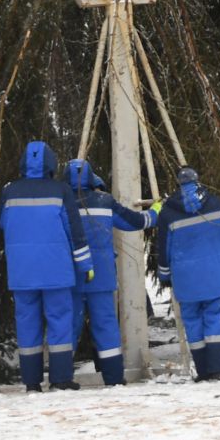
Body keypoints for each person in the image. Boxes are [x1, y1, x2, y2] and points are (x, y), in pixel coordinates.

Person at [0, 140, 93, 391]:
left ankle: (31, 382)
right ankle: (60, 378)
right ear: (51, 162)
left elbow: (2, 223)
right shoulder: (61, 191)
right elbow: (75, 231)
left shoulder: (10, 192)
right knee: (60, 322)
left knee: (27, 324)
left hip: (22, 272)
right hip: (55, 269)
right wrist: (85, 264)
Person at [63, 158, 156, 386]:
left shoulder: (61, 202)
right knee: (105, 325)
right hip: (101, 274)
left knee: (67, 326)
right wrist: (156, 212)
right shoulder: (105, 202)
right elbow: (135, 222)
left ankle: (62, 377)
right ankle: (114, 377)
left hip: (70, 274)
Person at [153, 166, 220, 382]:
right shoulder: (216, 204)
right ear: (198, 180)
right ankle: (218, 369)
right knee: (214, 319)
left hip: (185, 276)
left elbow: (163, 248)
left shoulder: (167, 211)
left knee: (192, 321)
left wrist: (164, 275)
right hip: (215, 272)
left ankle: (203, 370)